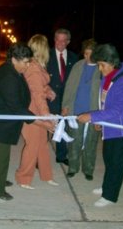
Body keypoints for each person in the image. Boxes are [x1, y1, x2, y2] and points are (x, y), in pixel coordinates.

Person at [0, 43, 55, 201]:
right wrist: (43, 123)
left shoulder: (13, 70)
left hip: (2, 123)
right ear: (14, 59)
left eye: (28, 61)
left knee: (2, 156)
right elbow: (18, 108)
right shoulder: (8, 77)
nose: (27, 65)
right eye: (25, 62)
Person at [77, 43, 123, 207]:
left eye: (102, 65)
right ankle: (106, 187)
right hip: (110, 128)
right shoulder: (108, 78)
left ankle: (110, 196)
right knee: (109, 160)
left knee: (116, 164)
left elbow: (116, 110)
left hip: (121, 131)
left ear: (112, 62)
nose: (100, 69)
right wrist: (99, 121)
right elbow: (103, 103)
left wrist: (92, 116)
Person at [15, 34, 58, 189]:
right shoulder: (33, 68)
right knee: (33, 145)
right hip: (33, 111)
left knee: (42, 144)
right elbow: (37, 94)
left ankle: (46, 176)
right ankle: (23, 178)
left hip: (35, 108)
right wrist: (46, 115)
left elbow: (38, 87)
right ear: (43, 49)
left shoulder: (36, 66)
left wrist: (48, 89)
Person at [62, 39, 101, 180]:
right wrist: (65, 106)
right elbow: (69, 87)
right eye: (85, 54)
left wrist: (101, 117)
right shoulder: (78, 66)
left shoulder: (101, 69)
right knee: (74, 141)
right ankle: (73, 167)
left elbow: (104, 95)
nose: (87, 57)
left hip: (93, 112)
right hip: (76, 111)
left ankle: (88, 169)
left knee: (91, 142)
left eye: (90, 54)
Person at [47, 28, 78, 166]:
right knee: (45, 127)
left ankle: (61, 155)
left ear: (68, 42)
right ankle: (39, 156)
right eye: (57, 40)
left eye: (63, 40)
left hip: (66, 99)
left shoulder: (73, 57)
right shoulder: (46, 55)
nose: (60, 43)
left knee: (62, 127)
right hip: (49, 98)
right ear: (54, 40)